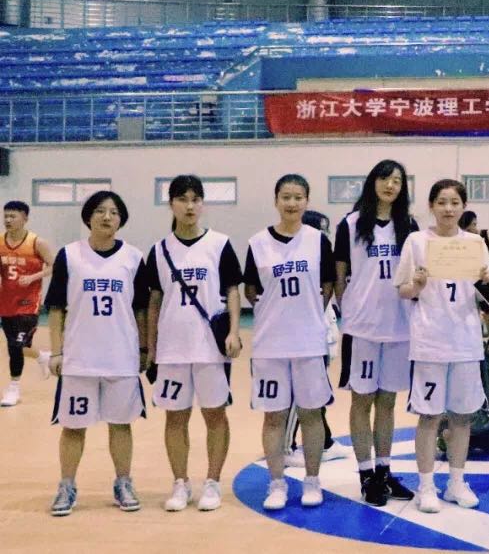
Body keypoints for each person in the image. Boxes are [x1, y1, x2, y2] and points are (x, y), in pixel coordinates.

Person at [45, 191, 150, 516]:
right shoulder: (69, 255)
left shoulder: (133, 257)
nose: (107, 217)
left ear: (121, 220)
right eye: (101, 211)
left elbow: (141, 309)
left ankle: (123, 482)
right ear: (88, 217)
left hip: (121, 357)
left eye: (114, 212)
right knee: (73, 426)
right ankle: (66, 485)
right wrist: (57, 352)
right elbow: (56, 309)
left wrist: (144, 349)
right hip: (79, 359)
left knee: (121, 424)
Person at [144, 175, 243, 512]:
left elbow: (232, 291)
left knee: (215, 414)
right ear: (171, 204)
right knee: (175, 418)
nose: (189, 206)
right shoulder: (159, 250)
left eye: (195, 199)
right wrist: (151, 348)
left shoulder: (220, 244)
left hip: (210, 349)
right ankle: (180, 482)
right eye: (182, 199)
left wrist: (234, 331)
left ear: (202, 204)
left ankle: (212, 482)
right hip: (172, 348)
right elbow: (154, 301)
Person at [396, 179, 489, 513]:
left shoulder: (475, 244)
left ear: (463, 206)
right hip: (430, 343)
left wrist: (486, 282)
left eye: (454, 202)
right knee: (429, 416)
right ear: (431, 206)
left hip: (466, 342)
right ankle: (425, 486)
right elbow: (403, 290)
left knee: (462, 418)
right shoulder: (416, 241)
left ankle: (456, 482)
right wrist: (417, 284)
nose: (448, 209)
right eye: (441, 202)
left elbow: (486, 296)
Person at [244, 174, 336, 511]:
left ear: (307, 201)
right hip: (270, 344)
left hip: (309, 342)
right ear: (276, 200)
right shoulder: (257, 243)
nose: (292, 203)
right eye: (286, 196)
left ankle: (312, 481)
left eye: (298, 197)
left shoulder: (318, 241)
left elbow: (328, 285)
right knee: (274, 417)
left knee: (312, 414)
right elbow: (250, 291)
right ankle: (277, 483)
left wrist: (307, 314)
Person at [335, 160, 417, 506]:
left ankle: (384, 470)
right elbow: (340, 275)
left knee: (387, 401)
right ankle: (366, 474)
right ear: (373, 182)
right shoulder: (350, 224)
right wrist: (349, 312)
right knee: (362, 400)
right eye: (385, 178)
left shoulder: (409, 226)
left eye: (397, 180)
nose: (390, 185)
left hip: (398, 326)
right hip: (363, 328)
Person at [281, 210, 353, 468]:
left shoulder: (325, 260)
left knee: (317, 392)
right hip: (302, 334)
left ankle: (325, 442)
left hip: (323, 331)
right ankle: (285, 447)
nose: (326, 236)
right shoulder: (297, 259)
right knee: (297, 393)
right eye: (321, 231)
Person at [1, 200, 55, 407]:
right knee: (17, 345)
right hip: (6, 302)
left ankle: (13, 388)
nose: (8, 220)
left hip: (28, 303)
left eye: (12, 216)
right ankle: (42, 357)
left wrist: (33, 277)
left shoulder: (37, 243)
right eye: (5, 216)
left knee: (16, 346)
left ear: (25, 218)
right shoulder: (0, 242)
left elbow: (54, 265)